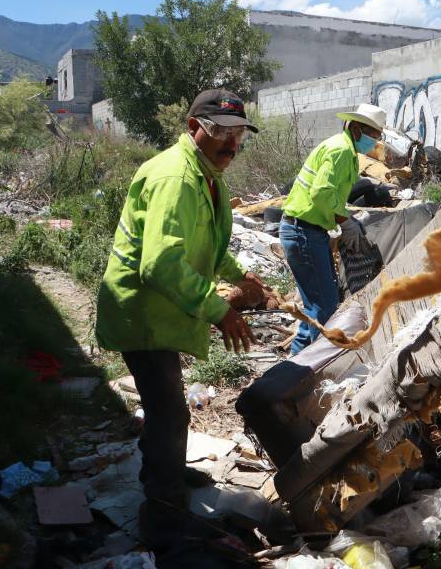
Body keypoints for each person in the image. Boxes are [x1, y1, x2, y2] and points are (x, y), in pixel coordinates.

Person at [95, 89, 270, 555]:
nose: (231, 144)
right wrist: (221, 310)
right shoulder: (177, 177)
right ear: (194, 126)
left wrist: (240, 274)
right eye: (220, 133)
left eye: (237, 135)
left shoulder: (207, 174)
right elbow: (161, 263)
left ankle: (166, 469)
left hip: (162, 310)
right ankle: (163, 511)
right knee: (170, 411)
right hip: (143, 311)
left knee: (166, 406)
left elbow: (205, 242)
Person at [280, 103, 385, 354]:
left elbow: (331, 196)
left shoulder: (346, 152)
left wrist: (347, 218)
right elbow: (321, 193)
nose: (376, 141)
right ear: (357, 129)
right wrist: (345, 222)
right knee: (324, 310)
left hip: (307, 231)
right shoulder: (339, 151)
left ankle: (294, 370)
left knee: (317, 308)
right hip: (303, 231)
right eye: (374, 135)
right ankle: (309, 370)